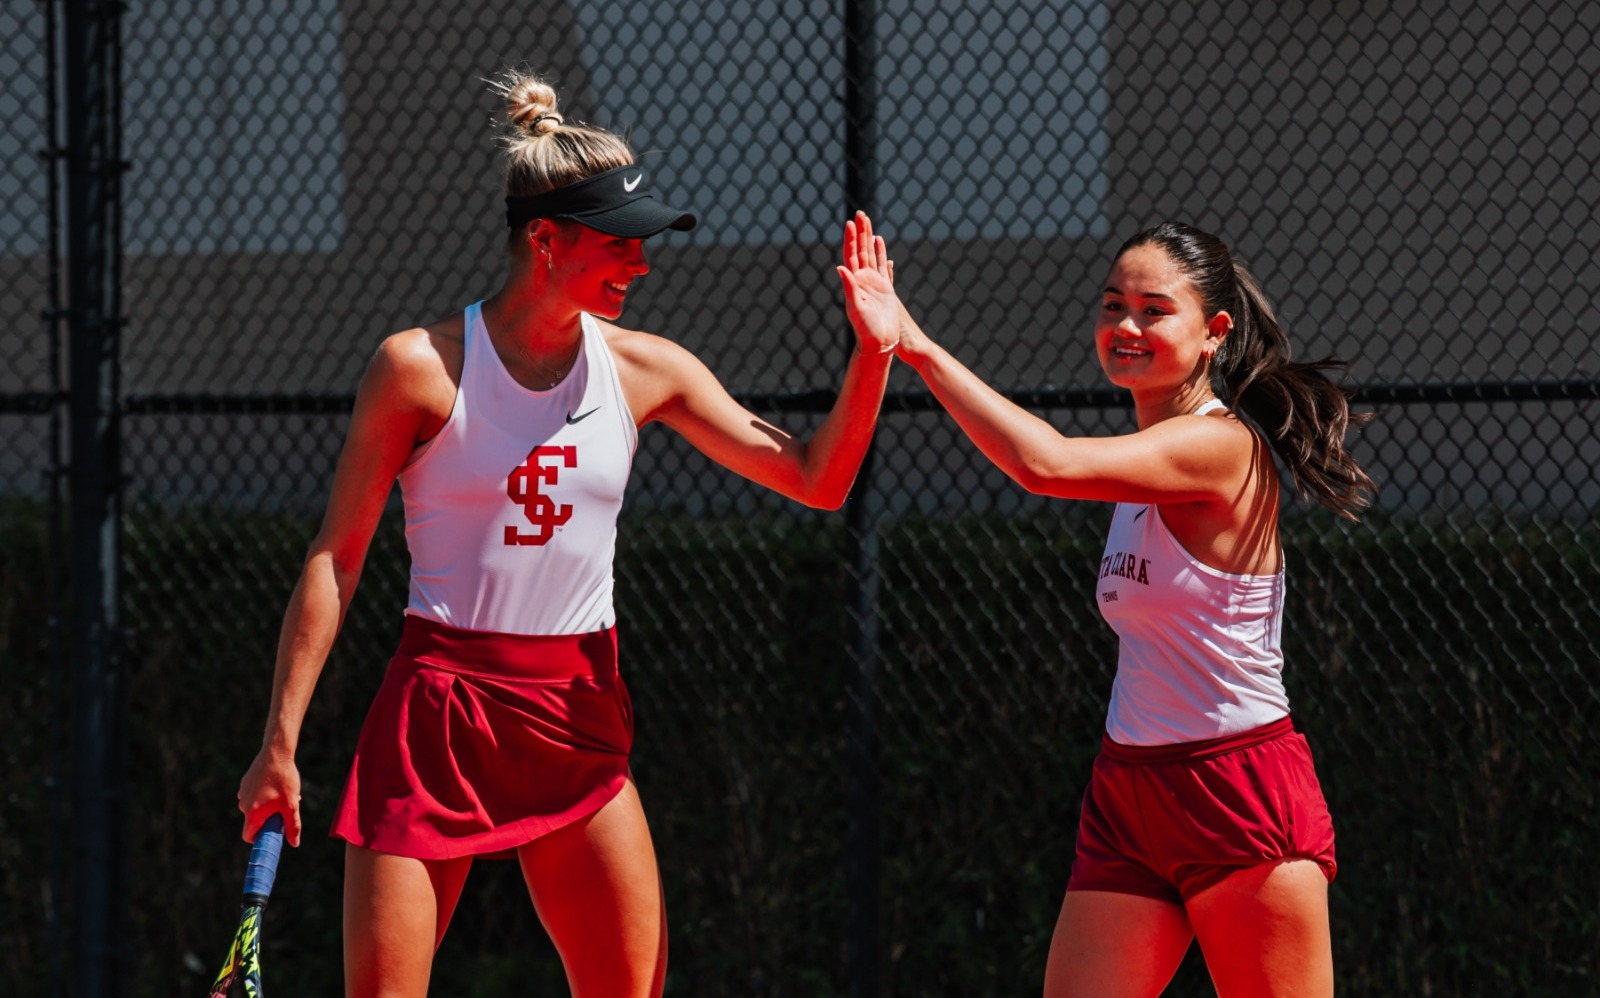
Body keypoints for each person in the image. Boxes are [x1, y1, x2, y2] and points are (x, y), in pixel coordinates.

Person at [233, 66, 901, 998]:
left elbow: (818, 480)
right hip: (439, 710)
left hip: (576, 710)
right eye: (619, 245)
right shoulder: (418, 368)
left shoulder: (648, 369)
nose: (641, 264)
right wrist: (279, 742)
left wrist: (873, 356)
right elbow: (335, 559)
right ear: (544, 241)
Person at [847, 220, 1374, 997]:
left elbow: (1044, 462)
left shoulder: (1220, 448)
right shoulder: (1142, 460)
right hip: (1128, 792)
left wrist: (914, 343)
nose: (1125, 326)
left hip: (1235, 791)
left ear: (1212, 334)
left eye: (1154, 310)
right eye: (1112, 305)